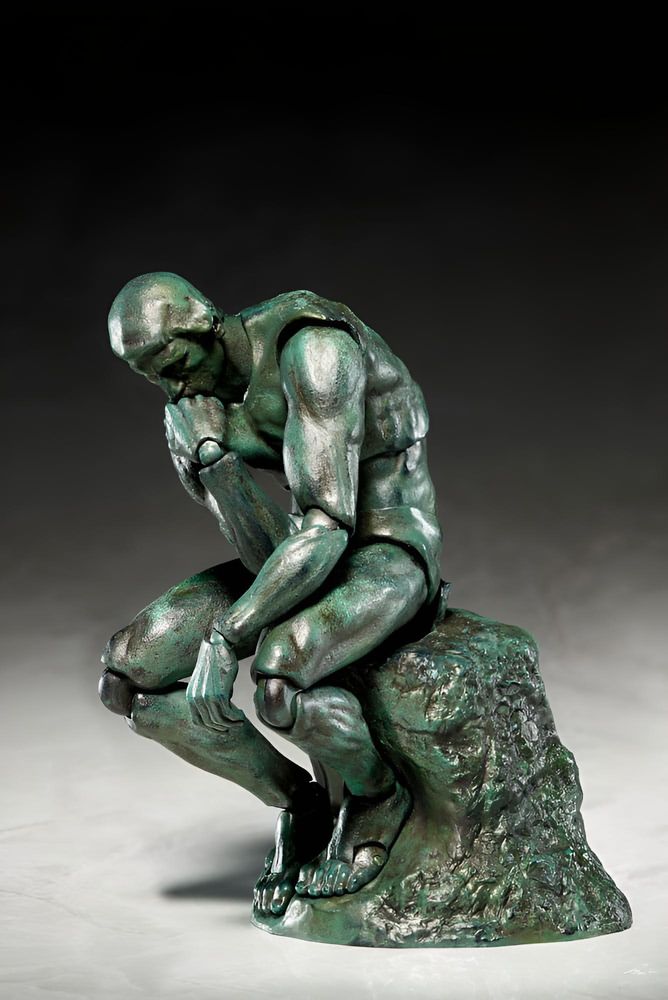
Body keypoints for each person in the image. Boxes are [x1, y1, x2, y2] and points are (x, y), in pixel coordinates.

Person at [99, 272, 443, 916]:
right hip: (301, 548)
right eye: (152, 377)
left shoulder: (312, 349)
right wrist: (217, 466)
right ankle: (298, 802)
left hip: (387, 547)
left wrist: (228, 634)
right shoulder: (192, 409)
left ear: (203, 319)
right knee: (127, 678)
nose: (174, 388)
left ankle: (377, 798)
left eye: (175, 364)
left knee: (279, 677)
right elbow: (268, 551)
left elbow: (330, 524)